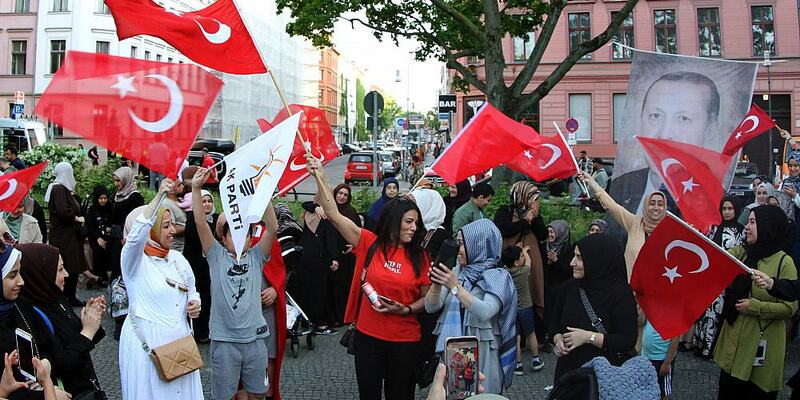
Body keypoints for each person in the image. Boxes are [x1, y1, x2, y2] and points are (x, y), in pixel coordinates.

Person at [307, 155, 431, 400]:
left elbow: (428, 301)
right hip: (368, 338)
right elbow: (333, 214)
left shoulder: (421, 256)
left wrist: (405, 309)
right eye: (408, 221)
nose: (414, 227)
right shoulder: (368, 242)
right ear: (394, 221)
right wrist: (320, 175)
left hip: (405, 341)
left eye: (416, 223)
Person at [191, 168, 276, 400]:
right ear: (223, 238)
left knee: (258, 394)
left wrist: (263, 193)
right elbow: (200, 223)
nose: (240, 239)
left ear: (251, 238)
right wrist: (196, 189)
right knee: (224, 396)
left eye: (245, 235)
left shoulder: (257, 257)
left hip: (256, 340)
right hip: (224, 340)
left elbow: (273, 227)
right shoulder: (216, 256)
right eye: (234, 234)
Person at [118, 178, 202, 399]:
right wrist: (158, 197)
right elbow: (136, 236)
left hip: (180, 347)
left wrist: (195, 304)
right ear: (152, 230)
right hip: (148, 347)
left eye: (173, 224)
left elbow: (192, 290)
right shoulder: (134, 262)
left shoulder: (177, 259)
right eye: (165, 226)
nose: (173, 230)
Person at [714, 205, 797, 400]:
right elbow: (718, 259)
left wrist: (755, 307)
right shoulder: (743, 254)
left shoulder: (784, 262)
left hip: (761, 349)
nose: (747, 227)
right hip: (734, 345)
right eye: (748, 222)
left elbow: (790, 308)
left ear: (768, 226)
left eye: (752, 222)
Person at [425, 219, 516, 394]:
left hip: (483, 353)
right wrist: (436, 284)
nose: (458, 250)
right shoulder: (458, 271)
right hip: (453, 353)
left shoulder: (498, 275)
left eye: (461, 244)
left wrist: (454, 287)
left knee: (481, 395)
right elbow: (431, 307)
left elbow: (486, 311)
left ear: (479, 244)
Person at [610, 71, 720, 215]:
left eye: (683, 118)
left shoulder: (717, 200)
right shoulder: (620, 188)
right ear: (641, 122)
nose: (665, 134)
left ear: (710, 129)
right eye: (656, 116)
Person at [17, 243, 106, 397]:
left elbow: (77, 338)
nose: (66, 274)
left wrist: (91, 318)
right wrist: (88, 330)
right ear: (41, 274)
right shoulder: (31, 314)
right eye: (59, 269)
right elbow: (61, 362)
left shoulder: (55, 298)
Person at [550, 233, 637, 382]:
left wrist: (589, 337)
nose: (572, 263)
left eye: (579, 258)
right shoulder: (569, 287)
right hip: (568, 374)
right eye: (574, 256)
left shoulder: (620, 294)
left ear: (597, 261)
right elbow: (553, 321)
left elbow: (627, 339)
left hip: (605, 378)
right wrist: (557, 339)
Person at [579, 171, 666, 280]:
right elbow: (612, 206)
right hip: (632, 289)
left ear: (665, 208)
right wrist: (593, 183)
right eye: (652, 203)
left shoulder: (670, 231)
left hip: (656, 290)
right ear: (646, 205)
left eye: (660, 204)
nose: (656, 208)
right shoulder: (634, 223)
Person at [492, 181, 547, 345]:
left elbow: (542, 234)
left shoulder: (535, 213)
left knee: (533, 292)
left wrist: (534, 218)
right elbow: (502, 228)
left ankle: (536, 334)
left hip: (531, 259)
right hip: (512, 258)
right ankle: (516, 337)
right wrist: (525, 221)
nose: (534, 202)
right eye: (531, 198)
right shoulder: (505, 211)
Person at [693, 197, 746, 359]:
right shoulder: (714, 228)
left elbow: (741, 254)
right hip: (711, 278)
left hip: (729, 281)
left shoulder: (741, 231)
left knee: (720, 314)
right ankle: (701, 346)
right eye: (724, 209)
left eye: (730, 209)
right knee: (706, 313)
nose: (727, 212)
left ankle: (715, 350)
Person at [45, 162, 90, 307]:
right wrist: (77, 218)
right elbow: (63, 211)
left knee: (72, 264)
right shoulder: (59, 189)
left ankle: (69, 297)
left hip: (66, 234)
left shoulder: (62, 189)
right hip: (64, 236)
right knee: (69, 265)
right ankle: (66, 297)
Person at [296, 195, 338, 335]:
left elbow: (306, 204)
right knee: (319, 291)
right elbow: (329, 239)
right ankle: (320, 324)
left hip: (305, 257)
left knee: (308, 289)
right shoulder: (326, 214)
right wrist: (334, 258)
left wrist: (315, 206)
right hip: (320, 259)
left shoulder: (310, 211)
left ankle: (307, 320)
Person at [182, 189, 218, 343]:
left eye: (209, 201)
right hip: (195, 264)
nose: (207, 204)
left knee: (209, 296)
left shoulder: (216, 219)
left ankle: (208, 328)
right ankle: (198, 330)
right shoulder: (192, 219)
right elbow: (198, 242)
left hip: (210, 264)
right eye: (203, 201)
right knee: (198, 295)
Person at [501, 245, 543, 376]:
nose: (523, 258)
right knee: (531, 334)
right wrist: (525, 251)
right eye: (520, 257)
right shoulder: (523, 271)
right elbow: (529, 262)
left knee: (517, 338)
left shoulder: (504, 273)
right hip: (525, 308)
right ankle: (536, 360)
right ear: (516, 262)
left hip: (512, 310)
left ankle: (518, 364)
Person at [329, 184, 362, 326]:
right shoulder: (329, 210)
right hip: (332, 254)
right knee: (332, 286)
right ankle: (334, 316)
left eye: (345, 195)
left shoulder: (351, 211)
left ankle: (344, 316)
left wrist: (354, 245)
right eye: (340, 193)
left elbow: (357, 232)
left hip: (347, 256)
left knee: (345, 287)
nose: (342, 197)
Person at [543, 220, 574, 337]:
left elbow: (568, 272)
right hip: (547, 287)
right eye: (549, 231)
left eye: (553, 232)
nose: (550, 234)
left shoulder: (568, 250)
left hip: (562, 289)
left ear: (561, 233)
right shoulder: (544, 247)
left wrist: (556, 261)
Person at [85, 186, 112, 287]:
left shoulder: (109, 208)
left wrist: (109, 228)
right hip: (95, 237)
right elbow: (90, 228)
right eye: (101, 198)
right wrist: (97, 238)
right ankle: (98, 276)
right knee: (98, 250)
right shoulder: (93, 210)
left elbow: (111, 222)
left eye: (105, 198)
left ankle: (105, 276)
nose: (103, 201)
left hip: (107, 236)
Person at [161, 179, 187, 252]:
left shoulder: (180, 200)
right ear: (171, 190)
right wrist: (189, 226)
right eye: (179, 185)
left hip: (186, 245)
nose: (182, 186)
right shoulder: (166, 204)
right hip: (177, 248)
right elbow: (171, 228)